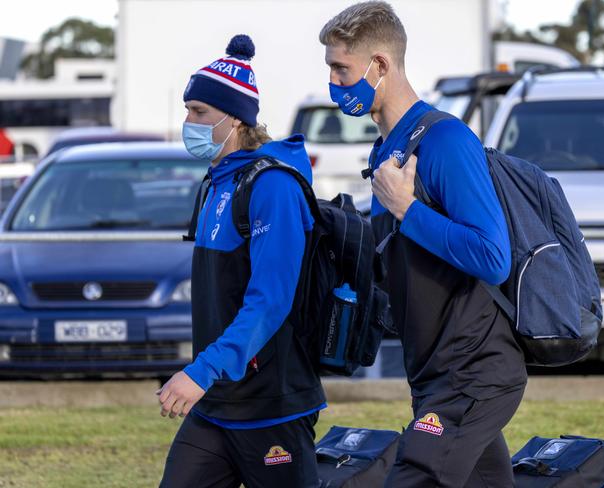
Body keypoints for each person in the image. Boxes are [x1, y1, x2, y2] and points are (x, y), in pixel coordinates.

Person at [320, 3, 528, 486]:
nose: (333, 82)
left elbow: (492, 257)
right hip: (433, 371)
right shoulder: (385, 147)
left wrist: (407, 210)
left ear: (381, 65)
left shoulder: (445, 140)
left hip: (472, 370)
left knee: (414, 476)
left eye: (341, 68)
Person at [158, 34, 324, 488]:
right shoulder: (215, 183)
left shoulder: (272, 187)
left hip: (271, 404)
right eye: (187, 109)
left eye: (199, 112)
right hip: (217, 402)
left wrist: (202, 370)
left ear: (235, 119)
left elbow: (269, 300)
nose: (187, 121)